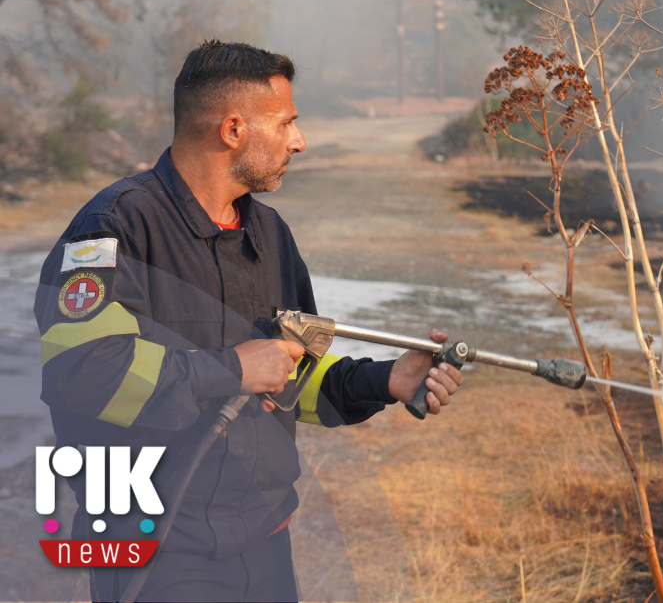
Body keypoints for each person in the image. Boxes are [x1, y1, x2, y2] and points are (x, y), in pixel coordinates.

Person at [33, 40, 464, 602]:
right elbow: (82, 373)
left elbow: (291, 376)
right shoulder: (112, 229)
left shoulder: (271, 235)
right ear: (232, 129)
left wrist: (385, 380)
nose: (299, 141)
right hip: (155, 552)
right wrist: (229, 370)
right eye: (286, 123)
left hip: (264, 543)